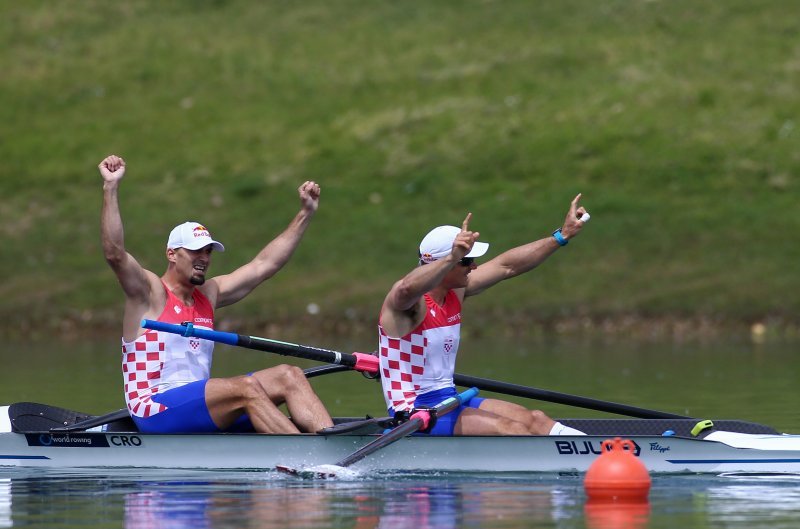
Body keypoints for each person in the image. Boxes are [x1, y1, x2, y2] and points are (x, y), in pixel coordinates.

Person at [98, 154, 333, 435]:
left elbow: (264, 265)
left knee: (289, 375)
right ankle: (306, 458)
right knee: (246, 388)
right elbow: (115, 254)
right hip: (154, 408)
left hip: (199, 407)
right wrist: (110, 188)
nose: (204, 258)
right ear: (172, 254)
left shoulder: (208, 295)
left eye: (208, 251)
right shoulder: (149, 293)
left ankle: (330, 449)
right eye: (196, 250)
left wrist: (305, 213)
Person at [378, 195, 590, 436]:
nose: (474, 267)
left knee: (534, 420)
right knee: (509, 429)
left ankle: (594, 458)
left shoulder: (455, 292)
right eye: (467, 261)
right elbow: (406, 287)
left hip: (448, 400)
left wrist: (562, 236)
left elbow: (506, 266)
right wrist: (452, 257)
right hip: (414, 412)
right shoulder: (407, 305)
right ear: (444, 263)